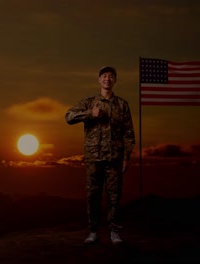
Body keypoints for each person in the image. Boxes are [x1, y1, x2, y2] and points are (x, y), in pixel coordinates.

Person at [65, 66, 135, 245]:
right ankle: (93, 231)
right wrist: (90, 113)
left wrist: (126, 157)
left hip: (114, 158)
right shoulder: (89, 102)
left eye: (111, 76)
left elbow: (128, 133)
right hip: (94, 158)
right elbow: (68, 117)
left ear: (115, 80)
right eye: (104, 76)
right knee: (93, 195)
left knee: (114, 195)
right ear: (99, 80)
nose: (107, 79)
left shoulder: (122, 104)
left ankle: (114, 231)